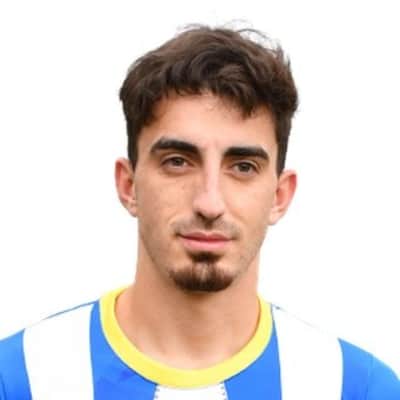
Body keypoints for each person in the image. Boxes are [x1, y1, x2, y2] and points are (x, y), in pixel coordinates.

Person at [0, 24, 399, 400]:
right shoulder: (22, 380)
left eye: (243, 167)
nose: (209, 203)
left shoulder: (355, 388)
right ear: (128, 184)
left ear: (280, 195)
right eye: (177, 162)